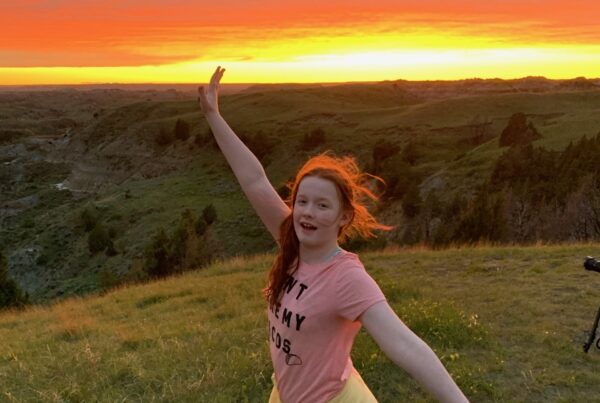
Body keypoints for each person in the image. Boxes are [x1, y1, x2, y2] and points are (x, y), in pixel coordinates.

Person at [198, 66, 468, 403]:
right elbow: (254, 180)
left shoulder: (346, 278)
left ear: (344, 217)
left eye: (322, 205)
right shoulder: (291, 240)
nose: (308, 211)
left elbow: (403, 343)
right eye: (302, 201)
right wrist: (213, 116)